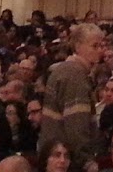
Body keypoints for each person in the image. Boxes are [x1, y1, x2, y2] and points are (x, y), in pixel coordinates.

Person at [41, 23, 102, 171]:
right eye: (95, 46)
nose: (100, 51)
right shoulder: (75, 75)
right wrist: (86, 162)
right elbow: (76, 126)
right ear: (78, 46)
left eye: (101, 46)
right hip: (67, 161)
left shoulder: (65, 71)